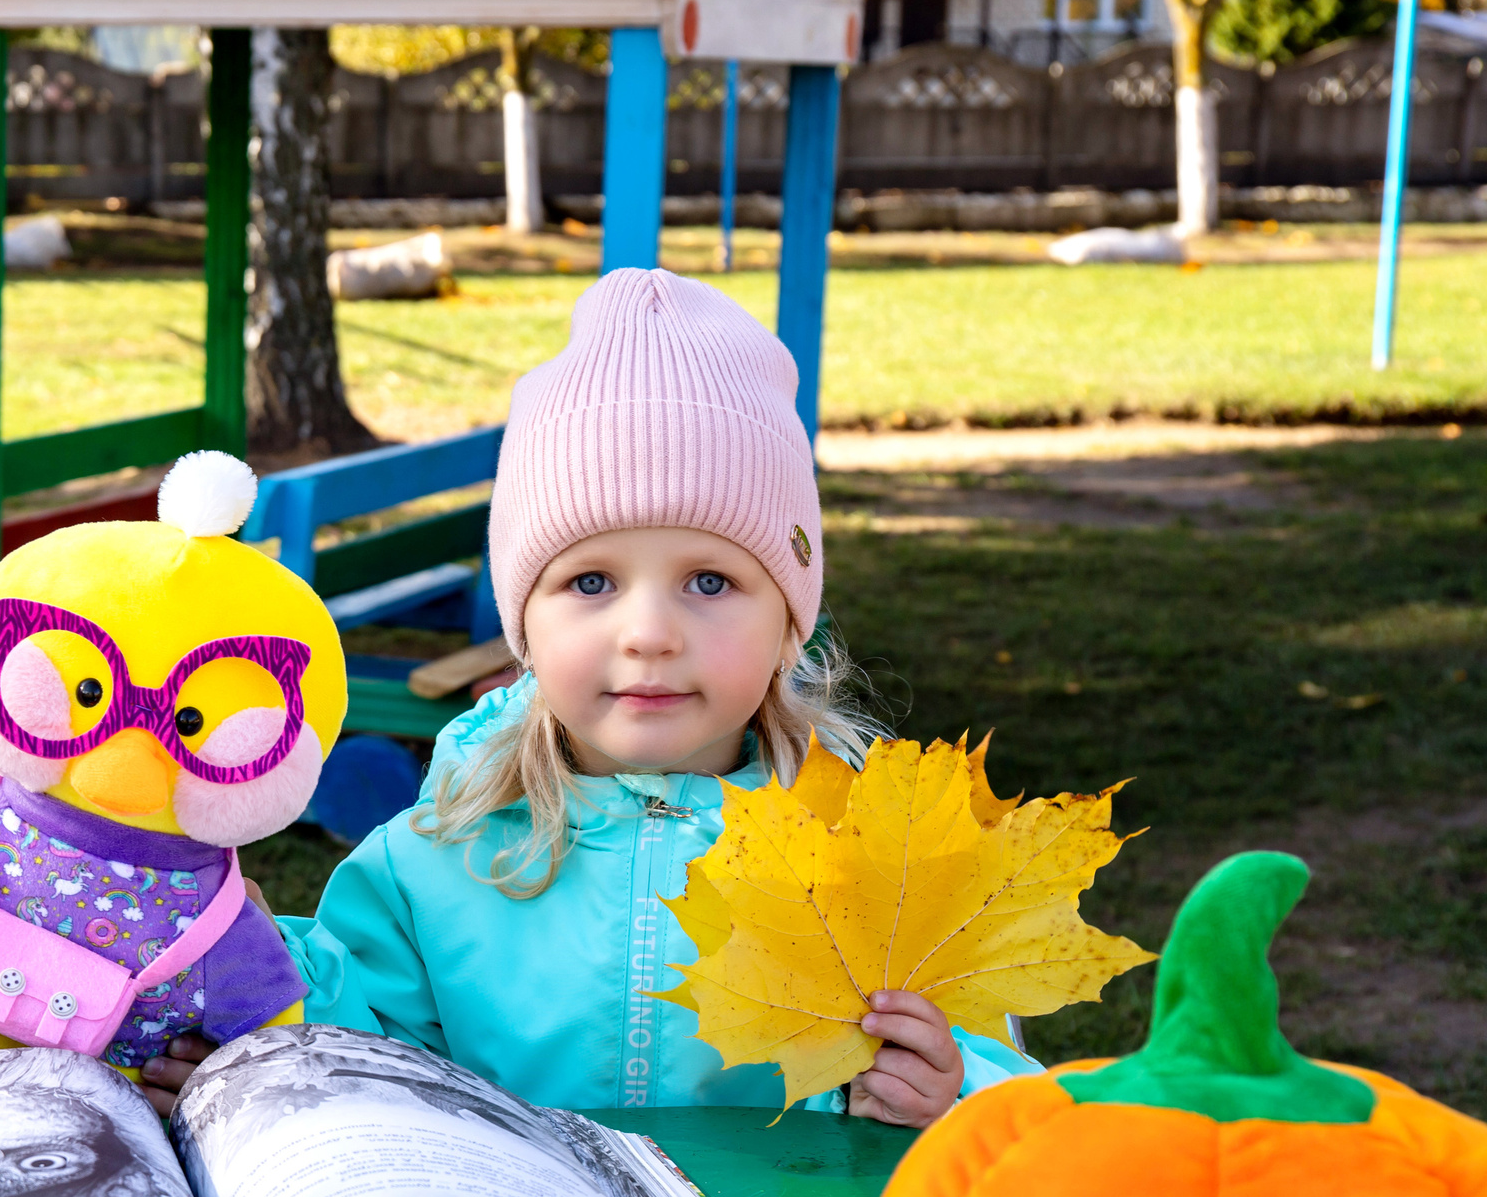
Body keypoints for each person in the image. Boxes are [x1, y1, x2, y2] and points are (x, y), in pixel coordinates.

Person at [279, 268, 1036, 1127]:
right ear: (524, 622)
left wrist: (949, 1088)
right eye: (591, 580)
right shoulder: (438, 854)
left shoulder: (876, 857)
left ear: (790, 624)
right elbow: (354, 1042)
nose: (649, 632)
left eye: (710, 580)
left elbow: (996, 1066)